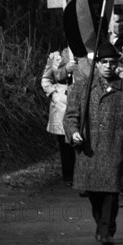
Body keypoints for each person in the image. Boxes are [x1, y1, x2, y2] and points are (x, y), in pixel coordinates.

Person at [64, 42, 123, 245]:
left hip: (115, 148)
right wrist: (73, 133)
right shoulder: (82, 88)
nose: (109, 66)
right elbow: (70, 116)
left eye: (112, 62)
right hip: (89, 150)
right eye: (104, 62)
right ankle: (103, 223)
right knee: (94, 194)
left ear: (118, 64)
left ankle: (105, 229)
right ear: (97, 64)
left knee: (111, 191)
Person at [41, 45, 75, 185]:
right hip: (61, 103)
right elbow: (45, 79)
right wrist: (54, 93)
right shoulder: (56, 56)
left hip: (80, 100)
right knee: (64, 142)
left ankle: (81, 174)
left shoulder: (85, 53)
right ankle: (68, 175)